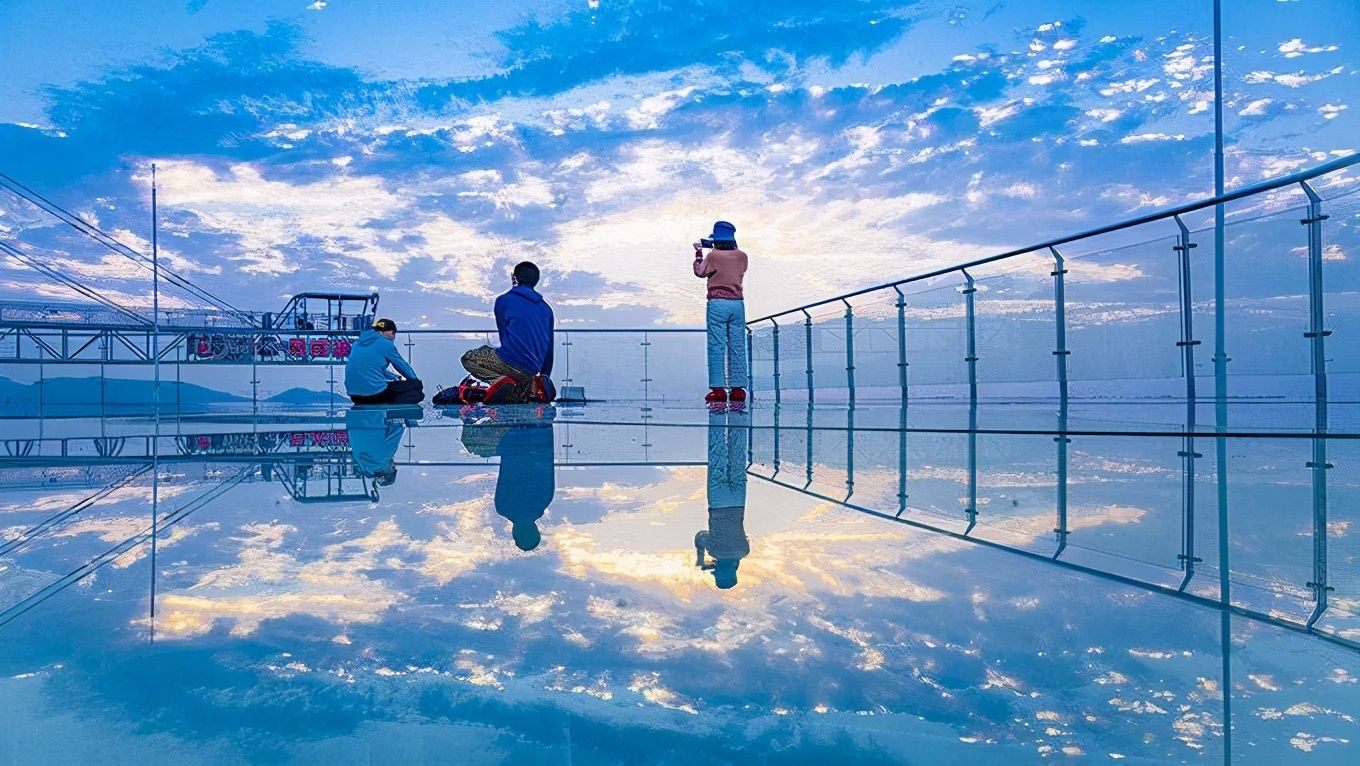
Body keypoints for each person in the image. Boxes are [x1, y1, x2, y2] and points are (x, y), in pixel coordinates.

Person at [459, 406, 556, 551]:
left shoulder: (545, 500)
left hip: (538, 435)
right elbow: (512, 469)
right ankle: (469, 414)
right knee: (472, 445)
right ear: (515, 532)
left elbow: (545, 462)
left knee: (478, 446)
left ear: (536, 529)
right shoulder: (504, 508)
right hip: (514, 441)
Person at [461, 261, 555, 402]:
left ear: (514, 278)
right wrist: (543, 378)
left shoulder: (503, 301)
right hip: (531, 370)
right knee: (519, 394)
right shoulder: (547, 309)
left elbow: (504, 336)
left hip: (508, 361)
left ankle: (498, 381)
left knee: (469, 357)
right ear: (536, 281)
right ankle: (530, 387)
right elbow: (549, 351)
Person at [694, 402, 750, 589]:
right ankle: (717, 412)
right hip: (717, 505)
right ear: (719, 574)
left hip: (738, 503)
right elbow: (700, 535)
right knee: (717, 455)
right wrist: (701, 557)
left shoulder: (743, 551)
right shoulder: (714, 550)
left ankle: (737, 412)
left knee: (737, 458)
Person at [693, 221, 749, 403]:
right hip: (737, 304)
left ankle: (718, 389)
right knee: (737, 344)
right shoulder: (743, 256)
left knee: (716, 345)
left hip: (717, 303)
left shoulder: (713, 256)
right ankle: (738, 389)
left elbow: (700, 272)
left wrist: (699, 253)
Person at [345, 318, 424, 404]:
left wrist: (394, 377)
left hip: (354, 396)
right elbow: (401, 365)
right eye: (394, 334)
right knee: (417, 392)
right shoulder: (385, 343)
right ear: (390, 332)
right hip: (373, 394)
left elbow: (370, 369)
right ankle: (391, 409)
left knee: (393, 386)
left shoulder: (357, 344)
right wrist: (415, 381)